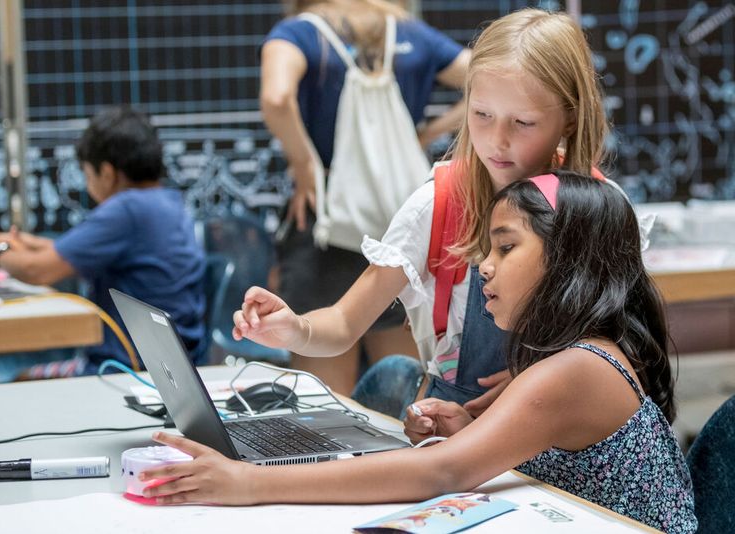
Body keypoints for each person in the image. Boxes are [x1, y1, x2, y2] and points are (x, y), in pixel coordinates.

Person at [138, 172, 697, 534]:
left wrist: (250, 483)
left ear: (568, 260)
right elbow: (490, 454)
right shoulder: (575, 355)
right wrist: (470, 431)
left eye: (506, 247)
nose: (485, 266)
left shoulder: (577, 367)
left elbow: (442, 471)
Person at [245, 8, 608, 412]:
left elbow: (623, 343)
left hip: (561, 425)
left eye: (523, 122)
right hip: (455, 427)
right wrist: (295, 328)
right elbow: (345, 322)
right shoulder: (437, 202)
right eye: (481, 114)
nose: (497, 141)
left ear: (570, 119)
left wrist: (548, 371)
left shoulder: (600, 206)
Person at [262, 0, 472, 393]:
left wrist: (304, 162)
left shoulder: (299, 33)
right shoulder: (411, 32)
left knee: (323, 402)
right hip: (400, 230)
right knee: (404, 390)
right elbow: (483, 77)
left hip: (323, 225)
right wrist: (426, 134)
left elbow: (276, 97)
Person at [0, 106, 206, 380]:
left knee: (18, 376)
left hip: (123, 370)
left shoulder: (125, 210)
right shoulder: (167, 202)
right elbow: (68, 252)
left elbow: (39, 270)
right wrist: (25, 242)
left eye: (87, 174)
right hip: (174, 369)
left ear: (107, 173)